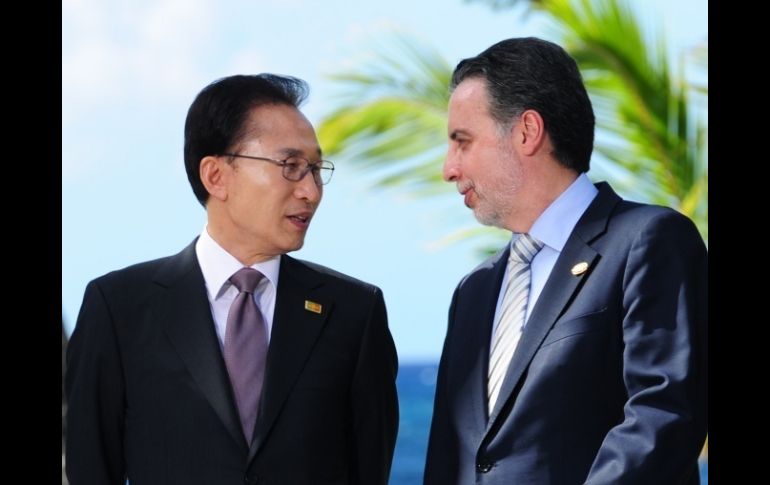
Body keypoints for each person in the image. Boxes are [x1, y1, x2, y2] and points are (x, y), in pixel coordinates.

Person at [65, 74, 399, 485]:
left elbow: (370, 469)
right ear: (216, 176)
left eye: (315, 169)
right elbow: (91, 469)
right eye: (291, 166)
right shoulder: (119, 308)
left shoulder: (354, 312)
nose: (311, 191)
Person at [424, 37, 707, 484]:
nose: (448, 168)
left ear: (527, 131)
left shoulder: (648, 241)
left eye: (462, 142)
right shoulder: (474, 290)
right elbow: (450, 459)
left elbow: (663, 414)